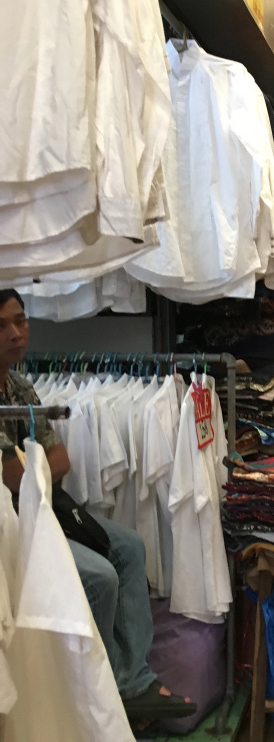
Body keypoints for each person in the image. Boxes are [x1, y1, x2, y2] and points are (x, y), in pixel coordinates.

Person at [0, 289, 193, 726]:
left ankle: (132, 680)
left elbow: (59, 461)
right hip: (14, 522)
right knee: (101, 577)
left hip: (44, 507)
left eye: (21, 321)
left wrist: (31, 466)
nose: (16, 333)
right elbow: (14, 476)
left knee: (130, 546)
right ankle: (101, 689)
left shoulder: (20, 386)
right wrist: (35, 466)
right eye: (2, 326)